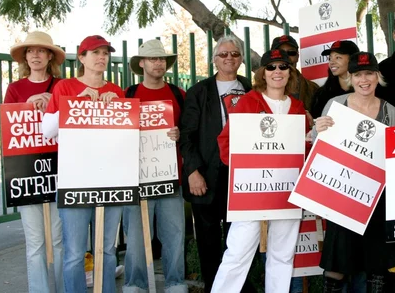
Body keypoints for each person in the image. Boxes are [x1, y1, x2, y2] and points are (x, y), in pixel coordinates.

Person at [211, 49, 307, 293]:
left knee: (283, 255)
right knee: (238, 252)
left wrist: (317, 130)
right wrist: (244, 170)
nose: (277, 72)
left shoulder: (296, 107)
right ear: (263, 73)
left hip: (286, 189)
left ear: (290, 72)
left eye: (283, 67)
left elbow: (304, 146)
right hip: (252, 190)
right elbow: (226, 141)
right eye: (271, 67)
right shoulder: (248, 101)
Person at [315, 51, 395, 293]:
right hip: (341, 194)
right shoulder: (335, 105)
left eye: (369, 73)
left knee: (376, 265)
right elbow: (319, 149)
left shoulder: (391, 111)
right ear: (350, 78)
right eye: (358, 74)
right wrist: (318, 130)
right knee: (337, 263)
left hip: (377, 197)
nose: (363, 80)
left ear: (378, 77)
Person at [42, 35, 124, 293]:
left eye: (105, 53)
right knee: (75, 253)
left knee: (108, 251)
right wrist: (77, 102)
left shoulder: (117, 91)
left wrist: (119, 107)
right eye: (95, 52)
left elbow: (126, 136)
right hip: (74, 178)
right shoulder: (65, 87)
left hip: (111, 179)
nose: (102, 57)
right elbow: (48, 130)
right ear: (81, 57)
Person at [180, 36, 252, 293]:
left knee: (240, 239)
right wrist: (193, 172)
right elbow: (186, 136)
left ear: (241, 58)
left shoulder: (251, 88)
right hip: (207, 174)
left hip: (242, 174)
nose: (229, 58)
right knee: (209, 241)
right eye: (223, 54)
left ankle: (239, 288)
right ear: (214, 59)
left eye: (234, 53)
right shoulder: (199, 92)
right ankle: (214, 287)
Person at [122, 39, 187, 293]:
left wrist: (180, 133)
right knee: (137, 240)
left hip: (172, 178)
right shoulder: (128, 95)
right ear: (142, 64)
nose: (158, 63)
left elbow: (191, 131)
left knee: (174, 236)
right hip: (137, 181)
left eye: (161, 59)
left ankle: (175, 284)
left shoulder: (178, 94)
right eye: (153, 59)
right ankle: (134, 285)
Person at [5, 31, 66, 293]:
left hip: (58, 168)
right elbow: (7, 125)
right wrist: (27, 106)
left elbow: (73, 122)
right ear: (25, 57)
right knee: (36, 242)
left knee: (59, 239)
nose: (36, 55)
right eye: (31, 51)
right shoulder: (15, 89)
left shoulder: (62, 86)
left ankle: (65, 289)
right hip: (26, 172)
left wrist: (52, 104)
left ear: (50, 55)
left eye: (41, 51)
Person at [310, 40, 360, 118]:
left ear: (352, 60)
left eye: (338, 57)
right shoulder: (321, 95)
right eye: (330, 58)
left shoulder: (366, 90)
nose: (332, 62)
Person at [271, 35, 319, 114]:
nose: (286, 58)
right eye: (281, 53)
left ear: (297, 56)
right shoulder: (260, 90)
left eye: (291, 53)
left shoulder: (313, 89)